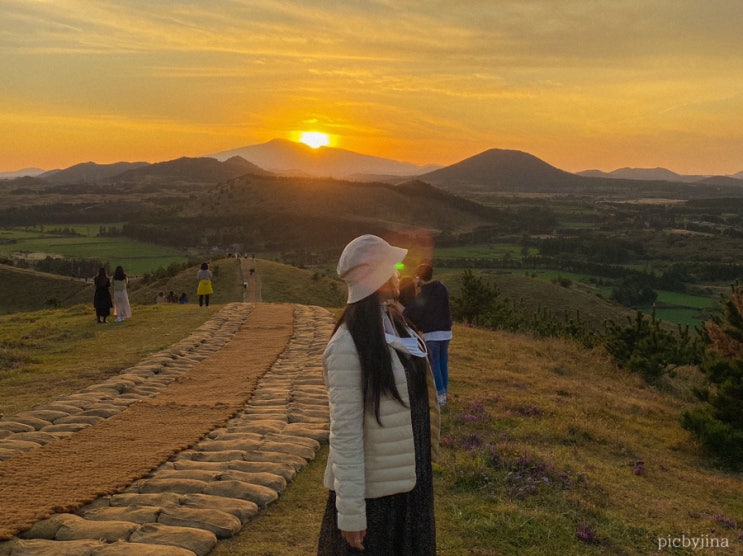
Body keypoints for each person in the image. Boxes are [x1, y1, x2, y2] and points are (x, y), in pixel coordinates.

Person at [317, 234, 440, 555]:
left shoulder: (394, 325)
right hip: (377, 497)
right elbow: (345, 434)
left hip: (407, 482)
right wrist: (351, 513)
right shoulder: (347, 346)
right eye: (393, 266)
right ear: (378, 277)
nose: (399, 271)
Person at [404, 263, 453, 406]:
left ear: (419, 277)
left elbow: (411, 312)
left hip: (432, 333)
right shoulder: (442, 288)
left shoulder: (425, 294)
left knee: (435, 363)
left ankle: (440, 395)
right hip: (446, 332)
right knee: (443, 362)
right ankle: (444, 392)